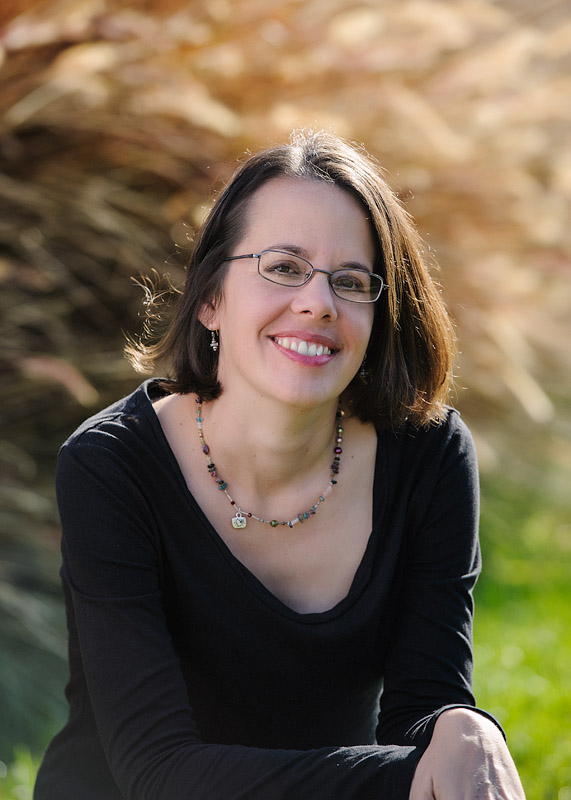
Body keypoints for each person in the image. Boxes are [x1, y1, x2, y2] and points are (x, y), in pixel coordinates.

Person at [34, 130, 526, 800]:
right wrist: (423, 775)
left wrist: (462, 728)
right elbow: (156, 771)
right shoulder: (110, 467)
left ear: (380, 318)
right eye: (283, 267)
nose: (318, 302)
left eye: (351, 282)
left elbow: (423, 709)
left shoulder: (429, 456)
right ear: (210, 298)